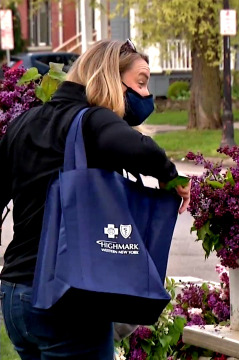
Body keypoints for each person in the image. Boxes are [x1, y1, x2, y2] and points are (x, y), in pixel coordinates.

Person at [0, 39, 190, 359]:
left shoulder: (22, 124)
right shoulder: (92, 120)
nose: (146, 95)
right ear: (109, 79)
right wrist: (173, 177)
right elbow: (140, 149)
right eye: (141, 83)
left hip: (15, 296)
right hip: (65, 298)